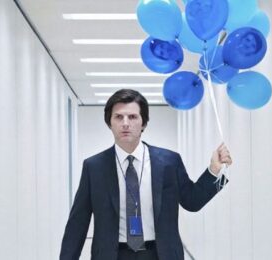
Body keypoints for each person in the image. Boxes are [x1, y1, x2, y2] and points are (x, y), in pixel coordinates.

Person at [60, 89, 232, 260]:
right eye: (119, 117)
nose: (125, 123)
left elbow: (192, 201)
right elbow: (78, 223)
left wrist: (213, 170)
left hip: (160, 254)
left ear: (143, 123)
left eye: (133, 117)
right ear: (109, 123)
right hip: (112, 254)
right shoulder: (94, 167)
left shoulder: (169, 162)